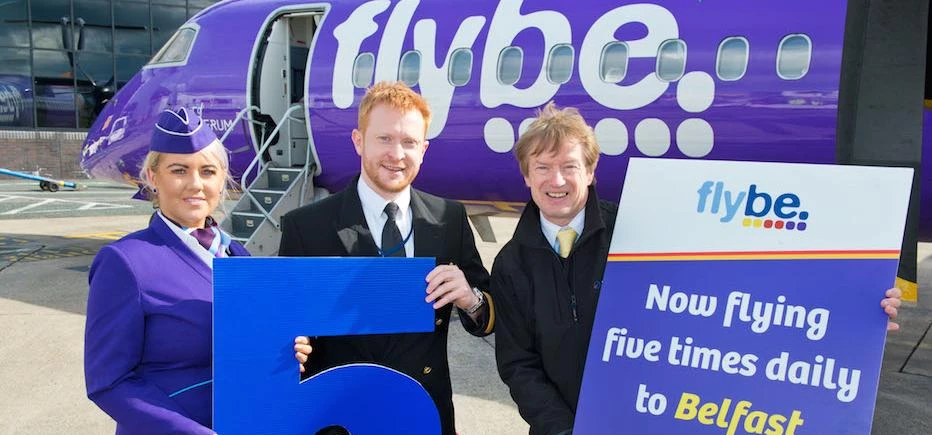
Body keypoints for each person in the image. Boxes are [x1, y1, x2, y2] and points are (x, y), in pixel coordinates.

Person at [490, 102, 904, 435]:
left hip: (648, 419)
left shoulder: (638, 232)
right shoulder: (511, 263)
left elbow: (734, 296)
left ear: (592, 173)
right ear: (526, 176)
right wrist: (563, 429)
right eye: (542, 167)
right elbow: (518, 364)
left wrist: (851, 319)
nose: (556, 179)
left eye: (569, 166)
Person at [281, 81, 493, 435]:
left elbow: (487, 318)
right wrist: (292, 345)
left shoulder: (448, 219)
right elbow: (287, 326)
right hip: (340, 419)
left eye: (409, 142)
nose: (397, 154)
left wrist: (470, 299)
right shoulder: (307, 226)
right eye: (384, 139)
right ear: (358, 141)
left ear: (423, 150)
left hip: (425, 413)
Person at [84, 107, 250, 434]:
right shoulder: (124, 261)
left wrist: (289, 349)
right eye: (179, 170)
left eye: (207, 171)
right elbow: (109, 381)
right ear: (152, 177)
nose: (195, 184)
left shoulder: (237, 254)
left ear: (222, 179)